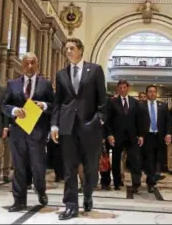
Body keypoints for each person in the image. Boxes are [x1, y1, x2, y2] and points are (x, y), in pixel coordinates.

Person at [51, 38, 107, 220]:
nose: (68, 51)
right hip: (67, 127)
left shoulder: (95, 70)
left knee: (91, 168)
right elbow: (58, 102)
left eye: (72, 48)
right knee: (69, 168)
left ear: (81, 50)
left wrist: (99, 120)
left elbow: (102, 100)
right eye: (66, 48)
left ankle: (88, 194)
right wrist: (54, 125)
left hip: (90, 126)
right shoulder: (61, 74)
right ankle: (71, 205)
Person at [3, 52, 54, 212]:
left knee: (38, 166)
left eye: (33, 63)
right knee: (19, 166)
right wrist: (14, 110)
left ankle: (40, 189)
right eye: (27, 63)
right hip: (18, 132)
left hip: (37, 132)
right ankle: (19, 201)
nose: (30, 66)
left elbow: (55, 105)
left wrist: (44, 106)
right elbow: (4, 106)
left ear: (37, 64)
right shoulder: (13, 84)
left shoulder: (45, 84)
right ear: (22, 64)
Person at [106, 80, 143, 192]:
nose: (122, 90)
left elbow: (139, 121)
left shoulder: (135, 102)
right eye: (120, 87)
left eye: (124, 87)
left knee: (134, 160)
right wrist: (109, 135)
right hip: (117, 137)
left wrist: (141, 135)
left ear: (128, 88)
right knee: (116, 161)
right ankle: (117, 183)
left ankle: (136, 183)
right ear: (117, 88)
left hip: (132, 137)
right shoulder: (112, 102)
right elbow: (108, 120)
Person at [138, 85, 172, 193]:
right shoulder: (141, 106)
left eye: (154, 91)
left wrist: (168, 134)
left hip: (159, 136)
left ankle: (153, 176)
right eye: (150, 91)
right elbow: (137, 122)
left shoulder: (163, 106)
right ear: (146, 93)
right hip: (147, 136)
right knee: (149, 158)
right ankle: (151, 182)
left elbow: (168, 121)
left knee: (159, 158)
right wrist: (139, 135)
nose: (152, 93)